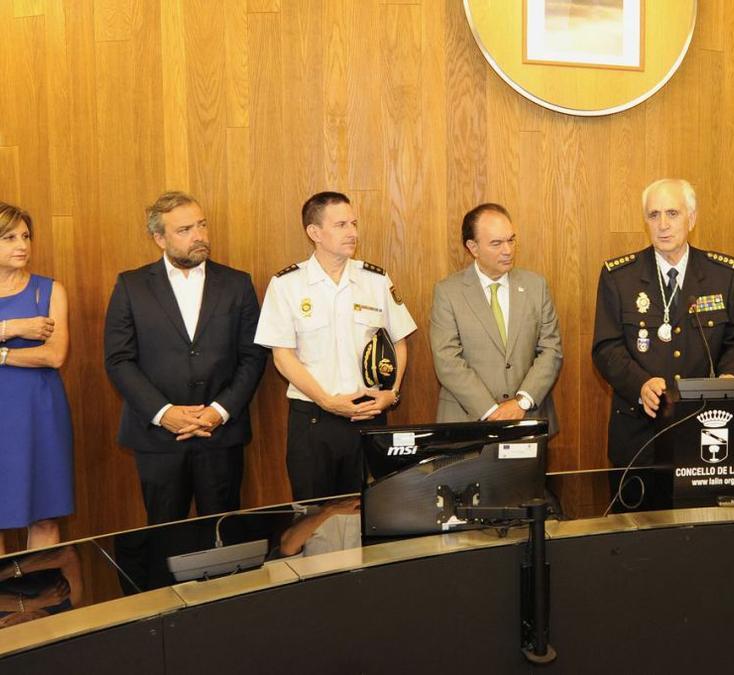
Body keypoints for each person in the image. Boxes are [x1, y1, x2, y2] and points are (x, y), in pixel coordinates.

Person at [104, 192, 267, 525]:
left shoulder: (237, 283)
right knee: (164, 536)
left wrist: (218, 412)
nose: (199, 236)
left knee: (224, 536)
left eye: (202, 225)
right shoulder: (131, 286)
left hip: (219, 435)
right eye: (185, 230)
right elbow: (119, 360)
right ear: (159, 238)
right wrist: (164, 413)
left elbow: (252, 356)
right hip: (158, 438)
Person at [592, 179, 734, 509]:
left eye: (672, 213)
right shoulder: (618, 276)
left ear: (691, 218)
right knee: (634, 542)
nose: (663, 225)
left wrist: (728, 380)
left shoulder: (722, 273)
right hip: (639, 434)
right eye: (654, 215)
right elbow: (606, 347)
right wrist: (640, 384)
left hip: (707, 429)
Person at [255, 191, 417, 500]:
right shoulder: (287, 285)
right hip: (314, 420)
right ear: (314, 232)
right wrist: (328, 402)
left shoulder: (376, 280)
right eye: (341, 224)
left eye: (354, 223)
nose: (352, 232)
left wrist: (391, 393)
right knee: (314, 519)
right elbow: (283, 357)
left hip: (369, 416)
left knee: (368, 515)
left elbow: (400, 341)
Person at [430, 203, 563, 432]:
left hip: (527, 418)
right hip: (468, 421)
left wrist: (521, 402)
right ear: (473, 247)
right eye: (496, 243)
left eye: (511, 240)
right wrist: (491, 411)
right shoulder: (448, 292)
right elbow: (447, 360)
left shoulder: (535, 286)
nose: (508, 250)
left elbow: (551, 349)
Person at [0, 203, 73, 553]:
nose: (22, 245)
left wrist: (2, 354)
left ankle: (43, 604)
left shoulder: (49, 290)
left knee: (45, 513)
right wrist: (13, 328)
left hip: (38, 411)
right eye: (10, 237)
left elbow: (54, 355)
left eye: (26, 236)